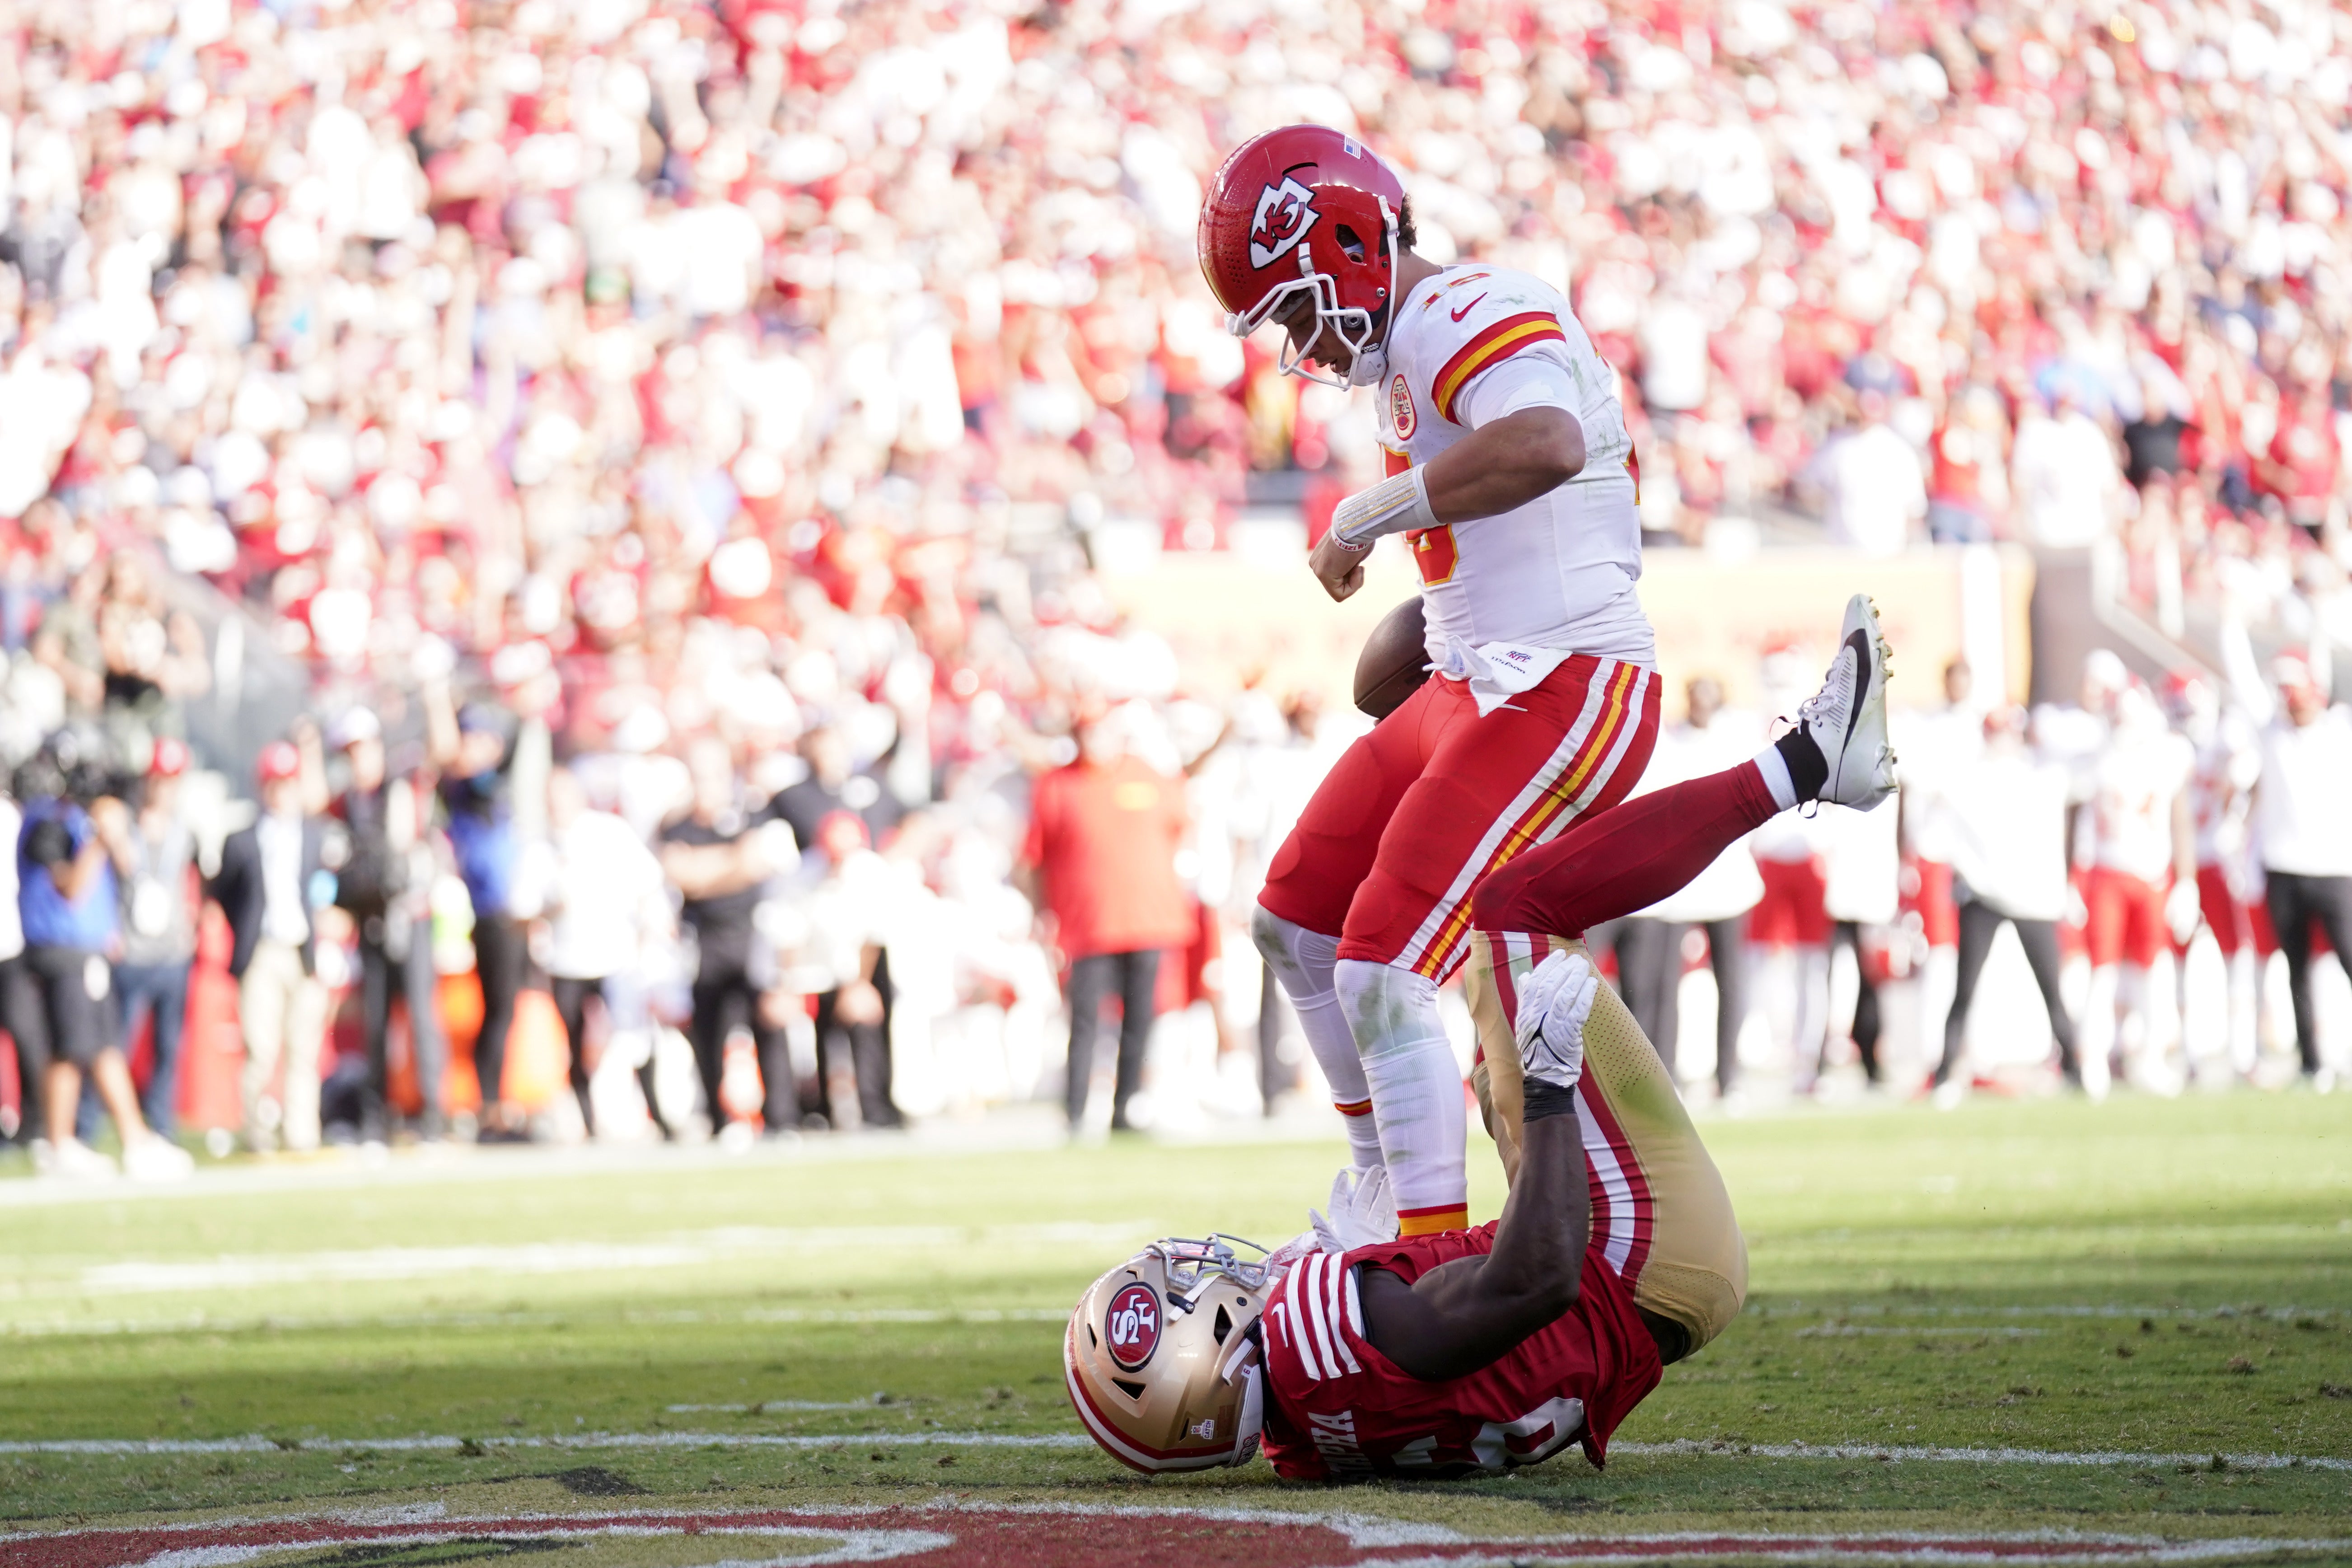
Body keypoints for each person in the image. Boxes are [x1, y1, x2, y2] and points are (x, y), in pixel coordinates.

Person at [1062, 598, 1894, 1478]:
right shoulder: (1324, 1334)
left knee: (1459, 954)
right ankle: (1805, 761)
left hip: (1651, 1295)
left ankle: (1486, 767)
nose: (1205, 1270)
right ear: (1205, 1350)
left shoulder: (1303, 1438)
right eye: (1188, 1292)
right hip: (1633, 1247)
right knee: (1509, 911)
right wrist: (1541, 1085)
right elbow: (1533, 1276)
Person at [1204, 125, 1660, 1235]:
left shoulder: (1460, 308)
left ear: (1353, 242)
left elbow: (1545, 441)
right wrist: (1426, 610)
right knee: (1295, 921)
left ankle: (1425, 1256)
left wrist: (1370, 511)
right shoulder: (1410, 350)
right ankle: (1377, 1184)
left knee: (1381, 966)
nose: (1299, 338)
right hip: (1473, 674)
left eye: (1296, 302)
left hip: (1561, 676)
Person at [15, 754, 191, 1178]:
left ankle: (63, 1141)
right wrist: (99, 840)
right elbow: (72, 888)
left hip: (78, 950)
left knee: (71, 1050)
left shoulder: (63, 820)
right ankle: (133, 1138)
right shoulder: (49, 823)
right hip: (68, 951)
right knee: (103, 1046)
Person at [1022, 709, 1191, 1133]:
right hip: (1088, 924)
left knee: (1141, 1019)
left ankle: (1127, 1107)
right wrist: (1043, 915)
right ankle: (1076, 1109)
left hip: (1150, 918)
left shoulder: (1149, 776)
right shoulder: (1058, 785)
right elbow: (1034, 859)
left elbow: (1181, 826)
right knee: (1085, 1020)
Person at [1932, 707, 2081, 1097]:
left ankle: (2074, 1069)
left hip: (2031, 898)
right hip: (1982, 895)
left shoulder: (2039, 776)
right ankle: (1946, 1073)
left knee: (2051, 988)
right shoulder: (1970, 777)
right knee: (1964, 990)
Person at [659, 735, 798, 1133]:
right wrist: (733, 861)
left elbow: (759, 861)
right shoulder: (678, 824)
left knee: (768, 1024)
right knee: (709, 1033)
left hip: (753, 934)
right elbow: (684, 875)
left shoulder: (753, 813)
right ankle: (719, 1121)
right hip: (705, 938)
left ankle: (781, 1118)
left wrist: (709, 870)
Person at [328, 708, 445, 1142]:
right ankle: (377, 1116)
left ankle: (432, 1112)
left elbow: (442, 752)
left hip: (409, 914)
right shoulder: (349, 803)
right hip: (371, 919)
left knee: (420, 1014)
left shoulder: (403, 784)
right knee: (375, 1020)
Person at [210, 741, 334, 1154]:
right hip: (262, 949)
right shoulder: (242, 840)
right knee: (260, 1048)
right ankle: (257, 1130)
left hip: (303, 950)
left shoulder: (316, 836)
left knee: (303, 1049)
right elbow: (225, 893)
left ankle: (302, 1133)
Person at [2076, 682, 2195, 1097]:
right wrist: (2072, 878)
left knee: (2153, 970)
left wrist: (2187, 880)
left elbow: (2180, 819)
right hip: (2108, 872)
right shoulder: (2098, 756)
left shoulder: (2166, 754)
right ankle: (2093, 1057)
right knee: (2102, 969)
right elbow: (2078, 817)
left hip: (2152, 875)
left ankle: (2150, 1058)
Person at [542, 763, 669, 1138]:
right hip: (565, 960)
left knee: (635, 1038)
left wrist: (649, 932)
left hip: (616, 955)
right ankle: (588, 1122)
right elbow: (525, 906)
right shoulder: (539, 842)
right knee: (575, 1044)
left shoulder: (609, 832)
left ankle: (659, 1116)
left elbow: (648, 881)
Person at [429, 695, 529, 1137]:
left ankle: (496, 1103)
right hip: (492, 914)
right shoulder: (466, 787)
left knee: (505, 1013)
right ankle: (490, 1108)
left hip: (507, 913)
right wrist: (527, 718)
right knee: (497, 1013)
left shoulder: (482, 788)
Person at [2252, 655, 2352, 1087]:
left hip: (2333, 868)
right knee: (2297, 969)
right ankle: (2312, 1061)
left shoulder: (2338, 731)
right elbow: (2246, 684)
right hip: (2284, 868)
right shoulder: (2272, 735)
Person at [94, 738, 199, 1141]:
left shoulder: (183, 832)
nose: (165, 789)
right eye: (160, 780)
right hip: (132, 951)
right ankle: (92, 1126)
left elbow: (188, 882)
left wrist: (189, 922)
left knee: (168, 1048)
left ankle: (161, 1129)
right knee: (112, 1045)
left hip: (171, 952)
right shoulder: (127, 825)